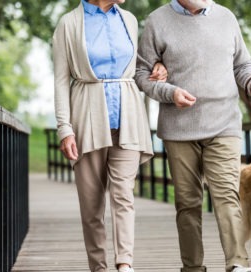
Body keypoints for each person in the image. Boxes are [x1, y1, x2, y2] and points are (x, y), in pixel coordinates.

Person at [134, 1, 251, 272]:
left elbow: (242, 64)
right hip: (178, 128)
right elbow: (141, 75)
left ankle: (238, 265)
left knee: (227, 195)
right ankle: (193, 268)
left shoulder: (226, 17)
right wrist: (169, 93)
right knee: (187, 202)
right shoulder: (157, 21)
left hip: (224, 124)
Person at [52, 0, 166, 271]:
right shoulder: (68, 24)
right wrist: (64, 128)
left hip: (128, 117)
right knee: (91, 205)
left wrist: (158, 65)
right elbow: (60, 80)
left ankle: (125, 264)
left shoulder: (128, 19)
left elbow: (138, 66)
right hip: (87, 118)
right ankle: (99, 267)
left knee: (124, 194)